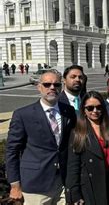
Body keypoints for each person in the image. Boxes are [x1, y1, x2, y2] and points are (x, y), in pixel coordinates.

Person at [6, 70, 76, 204]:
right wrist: (15, 185)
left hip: (63, 183)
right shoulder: (23, 115)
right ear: (39, 87)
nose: (52, 88)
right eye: (47, 84)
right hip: (35, 186)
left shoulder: (68, 111)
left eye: (56, 85)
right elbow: (12, 151)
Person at [65, 91, 109, 205]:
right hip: (90, 185)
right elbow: (73, 165)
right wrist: (74, 193)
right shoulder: (78, 132)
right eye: (90, 108)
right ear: (84, 110)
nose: (95, 111)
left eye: (98, 107)